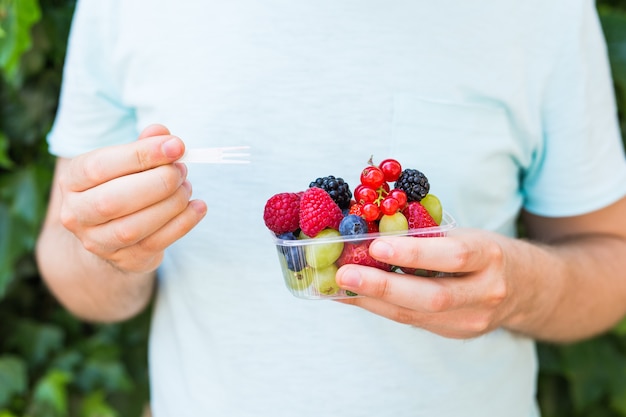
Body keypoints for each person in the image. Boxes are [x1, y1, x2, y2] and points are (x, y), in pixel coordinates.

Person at [35, 0, 626, 416]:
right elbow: (68, 259)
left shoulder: (542, 11)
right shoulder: (125, 7)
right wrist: (108, 251)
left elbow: (611, 257)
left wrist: (520, 286)